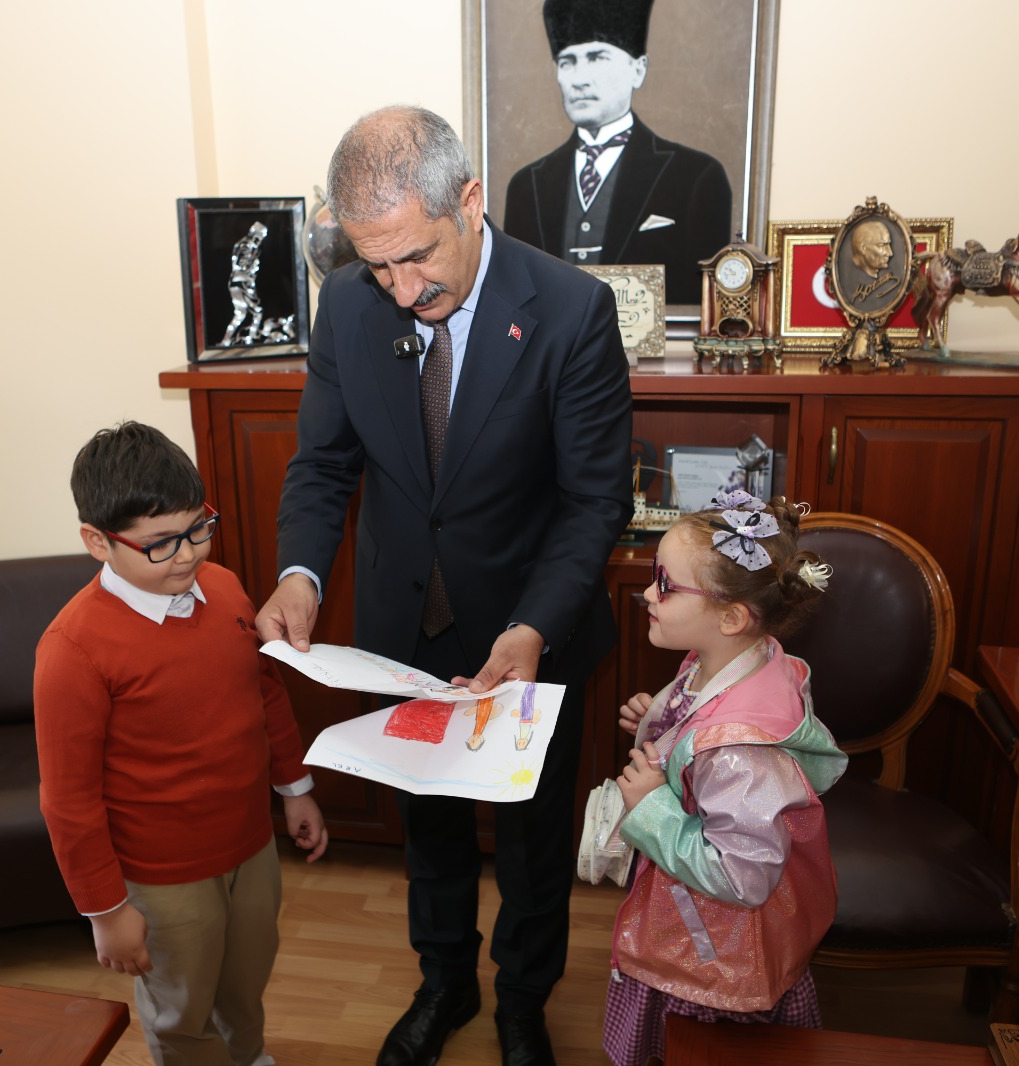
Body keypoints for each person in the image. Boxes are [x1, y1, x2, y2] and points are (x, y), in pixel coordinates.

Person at [255, 105, 633, 1066]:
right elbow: (322, 464)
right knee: (426, 825)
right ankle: (444, 984)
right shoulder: (349, 307)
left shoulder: (570, 311)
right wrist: (301, 572)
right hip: (405, 626)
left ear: (468, 202)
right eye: (376, 264)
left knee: (534, 838)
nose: (400, 288)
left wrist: (532, 628)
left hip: (530, 626)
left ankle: (523, 1004)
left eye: (417, 257)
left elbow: (594, 504)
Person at [36, 421, 328, 1066]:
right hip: (163, 876)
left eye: (199, 529)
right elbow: (68, 801)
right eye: (160, 543)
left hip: (251, 845)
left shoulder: (225, 588)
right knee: (183, 1007)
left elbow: (266, 693)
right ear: (97, 541)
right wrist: (106, 911)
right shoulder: (72, 650)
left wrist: (295, 790)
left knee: (246, 981)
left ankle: (247, 1057)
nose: (188, 554)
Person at [607, 490, 846, 1066]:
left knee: (696, 1050)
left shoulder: (740, 750)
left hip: (713, 953)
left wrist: (650, 808)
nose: (648, 594)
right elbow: (698, 717)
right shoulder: (734, 657)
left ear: (732, 616)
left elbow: (743, 875)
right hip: (697, 910)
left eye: (665, 585)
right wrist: (660, 719)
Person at [503, 0, 732, 305]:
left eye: (597, 57)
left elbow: (706, 308)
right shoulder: (527, 186)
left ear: (638, 70)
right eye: (567, 61)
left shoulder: (696, 177)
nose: (580, 79)